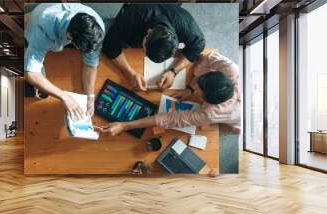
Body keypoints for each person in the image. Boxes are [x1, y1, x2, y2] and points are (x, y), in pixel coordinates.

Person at [102, 51, 241, 135]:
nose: (196, 91)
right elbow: (207, 57)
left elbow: (169, 119)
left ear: (208, 103)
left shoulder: (210, 113)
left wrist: (124, 125)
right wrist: (190, 89)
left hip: (236, 120)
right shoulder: (231, 69)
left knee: (228, 129)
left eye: (199, 93)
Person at [24, 3, 105, 119]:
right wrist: (64, 97)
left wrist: (90, 97)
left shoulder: (97, 28)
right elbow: (30, 73)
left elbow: (91, 65)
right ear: (69, 36)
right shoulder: (42, 27)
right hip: (35, 22)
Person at [102, 4, 205, 91]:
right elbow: (109, 45)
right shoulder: (132, 16)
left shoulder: (187, 26)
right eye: (146, 52)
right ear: (148, 33)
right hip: (137, 15)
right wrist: (129, 73)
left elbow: (198, 45)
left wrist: (173, 71)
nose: (145, 55)